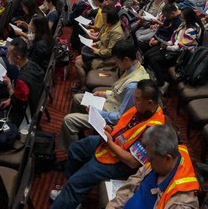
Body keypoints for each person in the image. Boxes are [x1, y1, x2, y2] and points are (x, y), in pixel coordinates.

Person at [52, 80, 165, 209]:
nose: (134, 101)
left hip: (119, 163)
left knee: (74, 184)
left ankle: (71, 192)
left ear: (149, 103)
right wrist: (110, 130)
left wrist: (110, 143)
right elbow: (123, 129)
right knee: (75, 149)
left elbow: (132, 162)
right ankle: (74, 198)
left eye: (137, 99)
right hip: (111, 144)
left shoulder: (153, 130)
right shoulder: (140, 109)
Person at [60, 39, 150, 150]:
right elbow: (120, 92)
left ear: (126, 59)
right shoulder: (136, 67)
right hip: (109, 105)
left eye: (117, 61)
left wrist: (97, 112)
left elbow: (120, 117)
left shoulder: (133, 86)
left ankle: (74, 152)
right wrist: (104, 94)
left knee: (68, 121)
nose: (116, 64)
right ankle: (79, 136)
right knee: (77, 98)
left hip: (110, 119)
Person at [107, 125, 201, 209]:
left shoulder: (182, 201)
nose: (148, 162)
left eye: (151, 159)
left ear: (167, 158)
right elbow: (129, 187)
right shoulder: (160, 159)